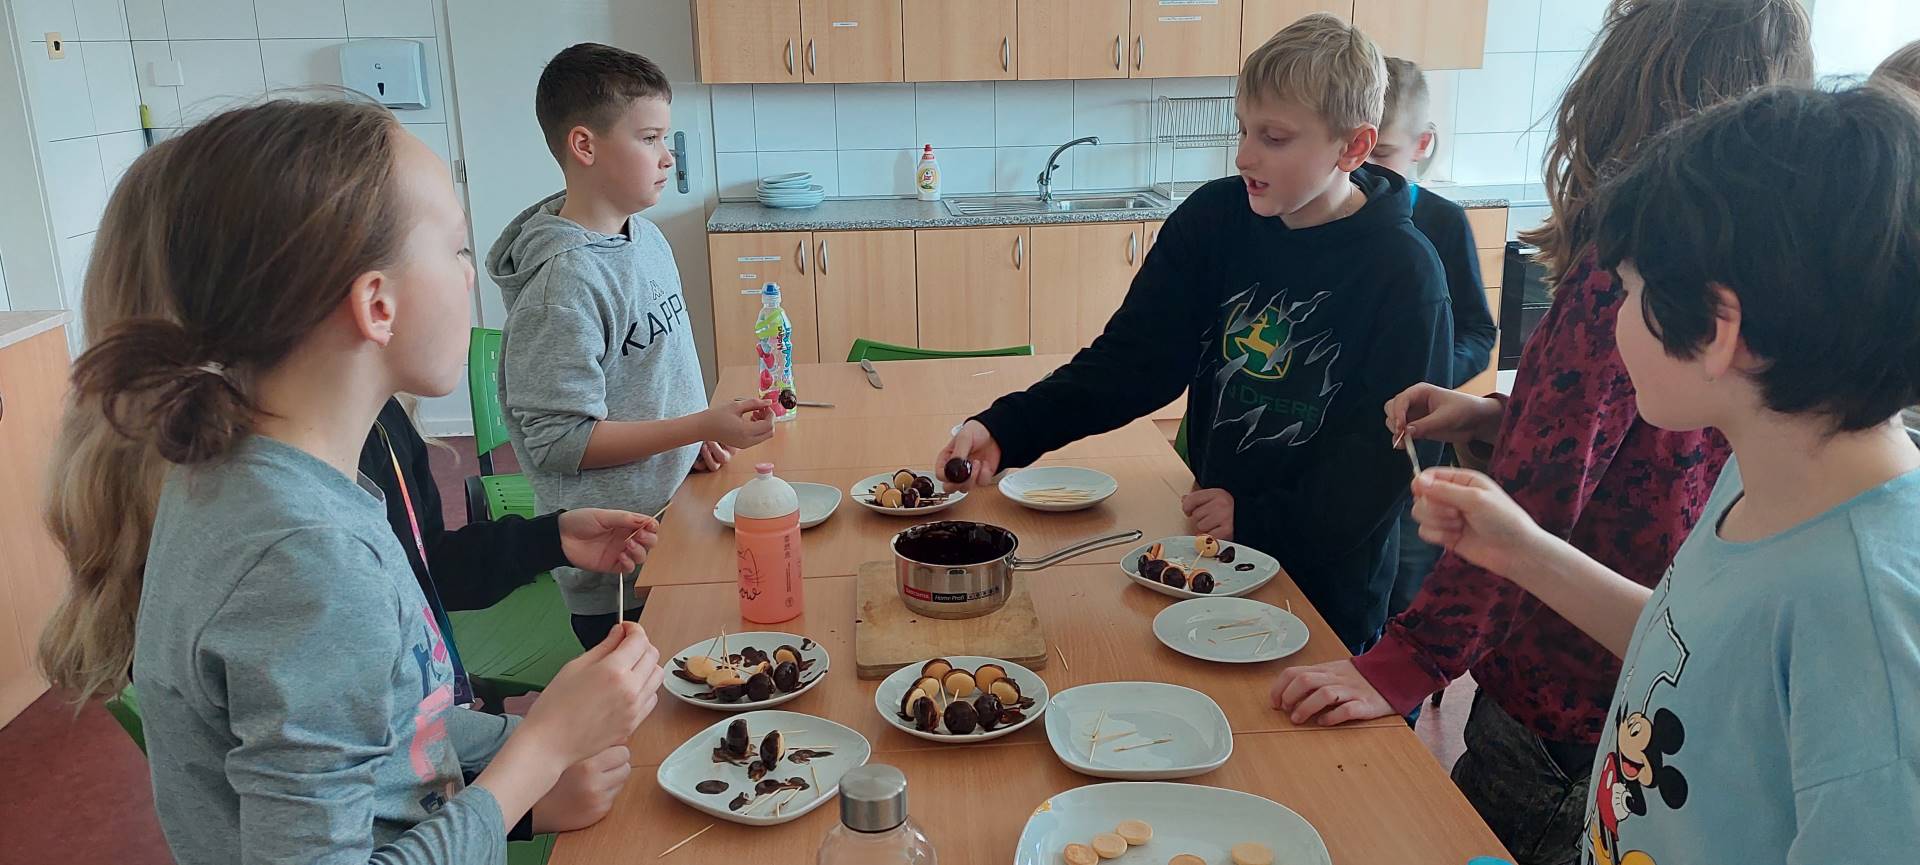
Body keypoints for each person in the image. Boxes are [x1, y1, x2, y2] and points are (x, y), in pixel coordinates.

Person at [37, 98, 665, 864]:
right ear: (376, 304)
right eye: (457, 249)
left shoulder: (267, 485)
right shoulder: (303, 555)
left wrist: (532, 744)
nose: (471, 275)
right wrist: (536, 757)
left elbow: (401, 725)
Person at [1270, 2, 1811, 863]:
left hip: (1567, 694)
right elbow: (1634, 450)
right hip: (1656, 674)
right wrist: (1499, 419)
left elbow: (1543, 494)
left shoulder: (1627, 273)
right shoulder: (1757, 277)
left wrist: (1406, 660)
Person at [1413, 82, 1920, 865]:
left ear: (1715, 329)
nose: (1614, 317)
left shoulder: (1869, 614)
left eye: (1628, 291)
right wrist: (1521, 550)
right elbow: (1694, 649)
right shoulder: (1764, 471)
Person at [938, 13, 1452, 651]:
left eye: (1274, 137)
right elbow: (1132, 362)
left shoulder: (1404, 273)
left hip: (1327, 590)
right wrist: (1009, 427)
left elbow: (1386, 461)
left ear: (1352, 148)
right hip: (1213, 551)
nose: (1244, 155)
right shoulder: (1215, 220)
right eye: (1243, 129)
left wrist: (1259, 520)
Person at [488, 43, 773, 648]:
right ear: (584, 146)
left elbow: (650, 380)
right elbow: (562, 442)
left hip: (679, 516)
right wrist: (697, 425)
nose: (668, 156)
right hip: (619, 570)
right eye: (649, 138)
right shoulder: (562, 285)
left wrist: (687, 442)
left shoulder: (645, 238)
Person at [360, 396, 660, 710]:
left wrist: (552, 538)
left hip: (434, 704)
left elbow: (428, 569)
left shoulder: (385, 421)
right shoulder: (332, 504)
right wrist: (553, 732)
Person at [1367, 56, 1497, 617]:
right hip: (1347, 445)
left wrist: (1432, 374)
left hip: (1418, 447)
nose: (1364, 170)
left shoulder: (1443, 222)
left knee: (1407, 593)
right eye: (1354, 151)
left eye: (1382, 154)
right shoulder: (1332, 221)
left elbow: (1478, 331)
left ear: (1421, 145)